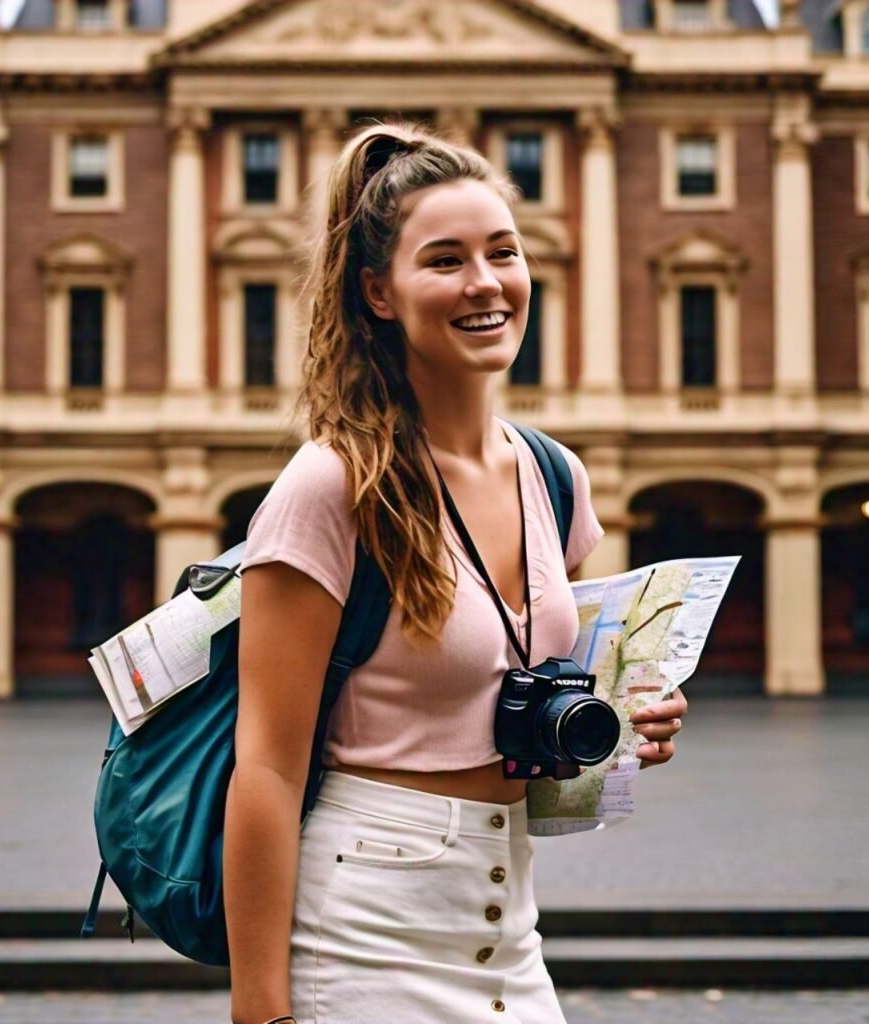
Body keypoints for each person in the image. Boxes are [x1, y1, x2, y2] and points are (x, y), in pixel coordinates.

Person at [223, 121, 687, 1024]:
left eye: (503, 252)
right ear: (379, 293)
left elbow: (511, 692)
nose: (486, 283)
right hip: (362, 922)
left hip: (510, 923)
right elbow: (268, 769)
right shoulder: (332, 485)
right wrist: (260, 1011)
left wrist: (621, 721)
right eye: (445, 260)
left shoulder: (555, 477)